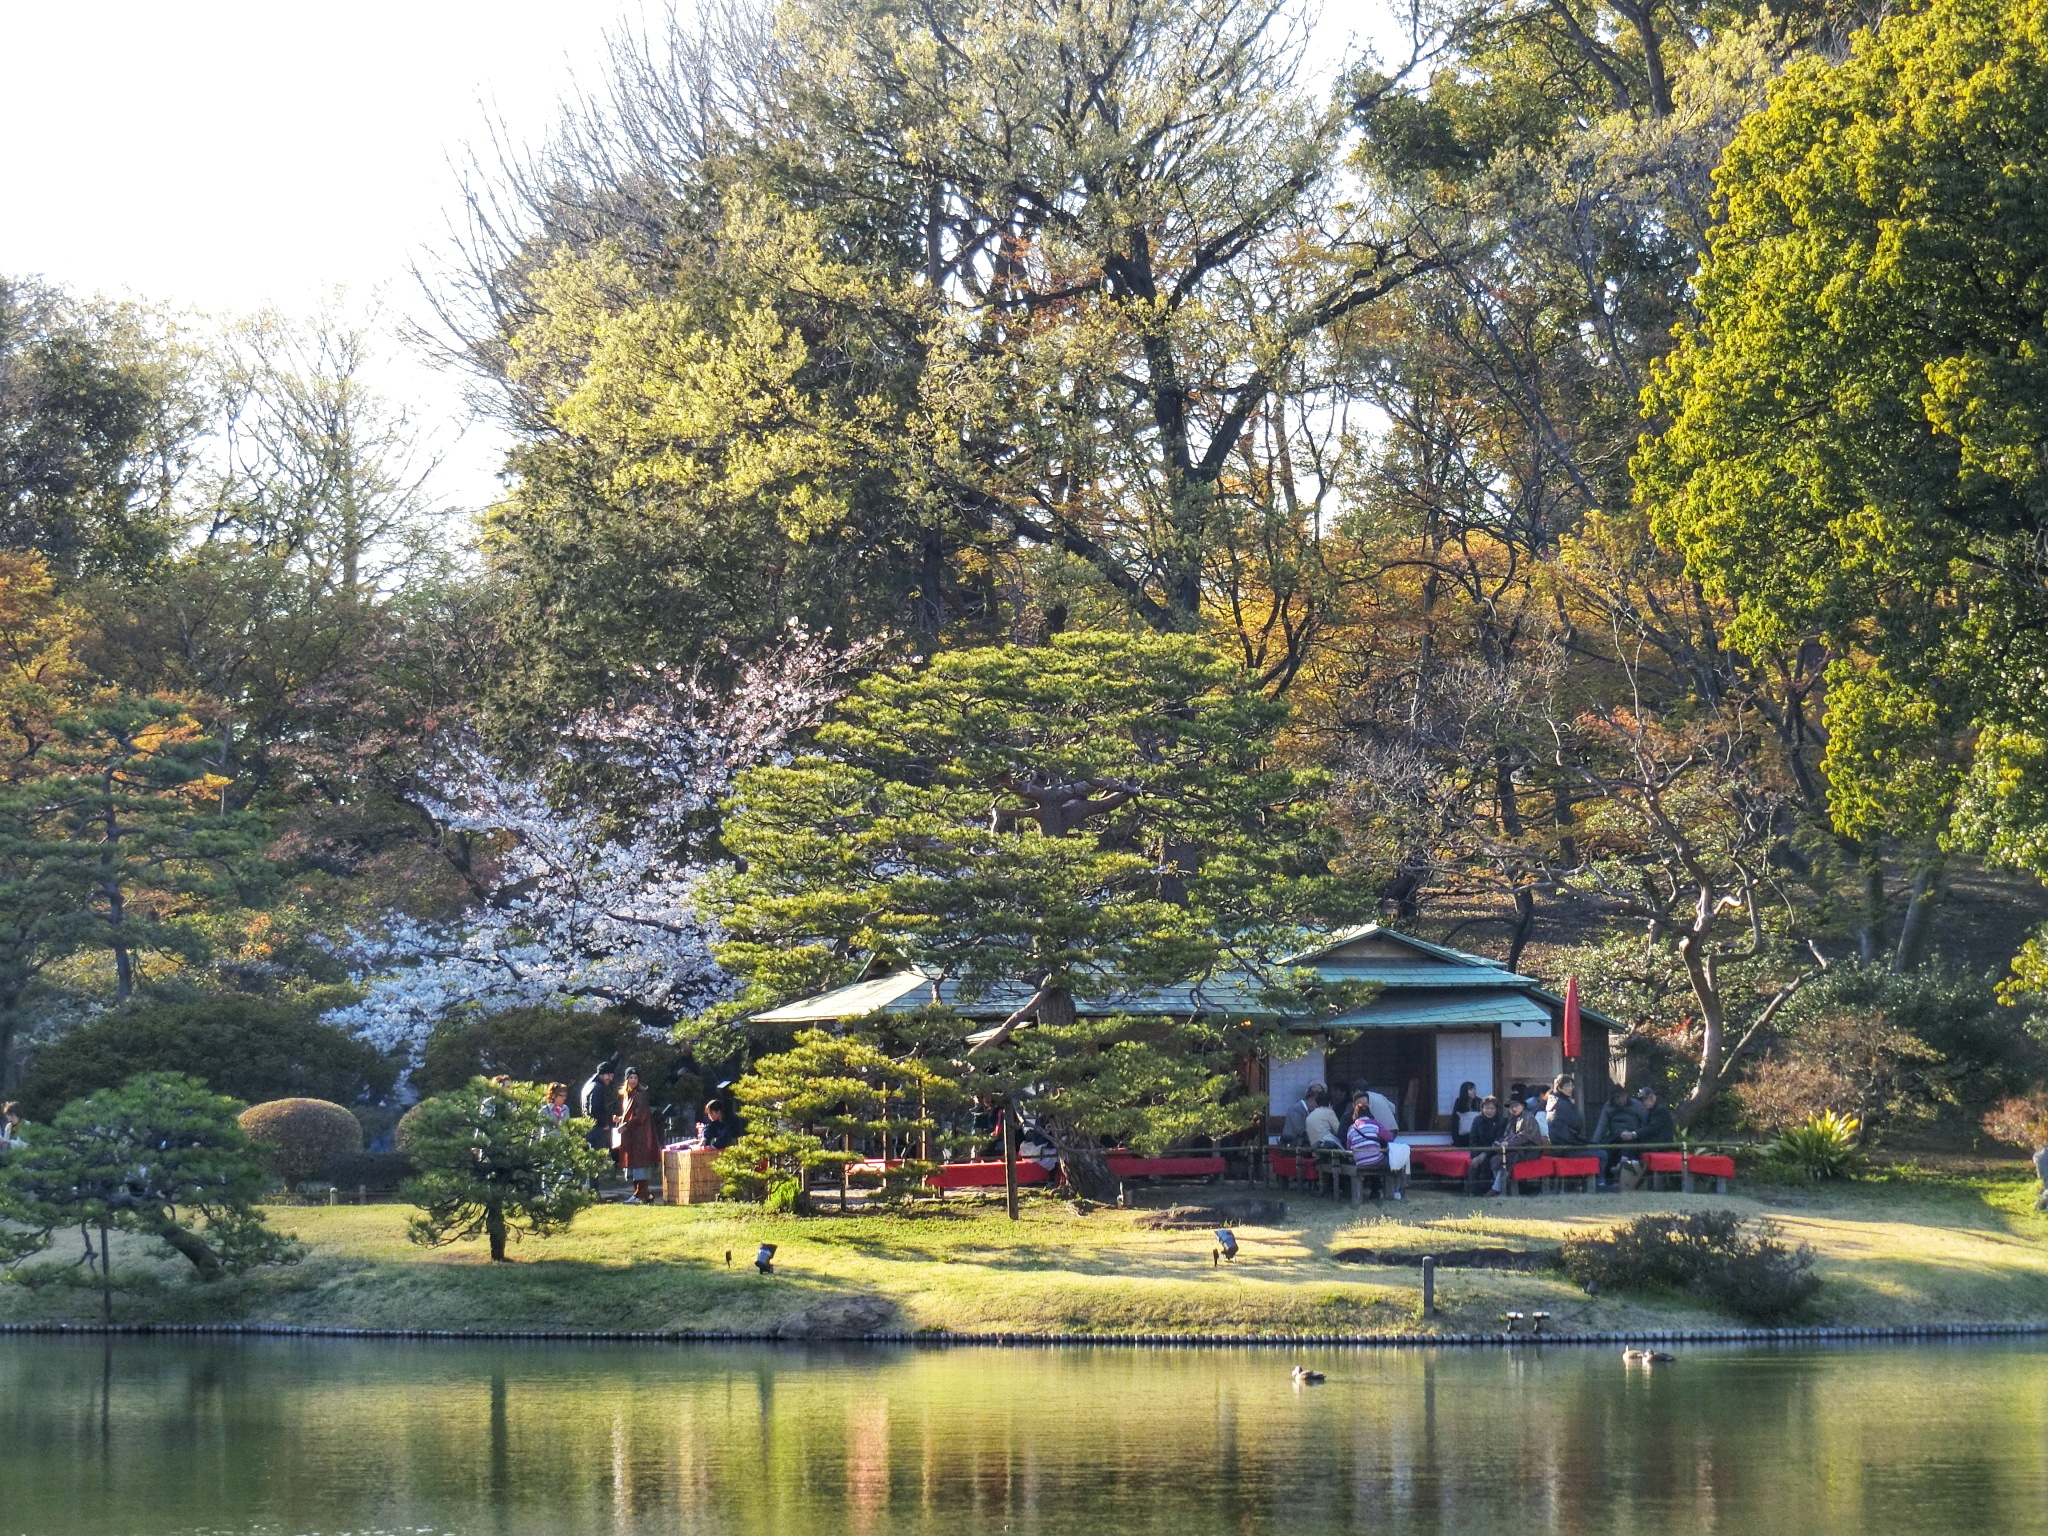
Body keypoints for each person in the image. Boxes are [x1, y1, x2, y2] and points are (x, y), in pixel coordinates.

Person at [615, 1067, 661, 1204]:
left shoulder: (640, 1095)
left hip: (640, 1136)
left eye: (635, 1077)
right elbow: (629, 1114)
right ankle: (642, 1194)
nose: (633, 1080)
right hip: (632, 1136)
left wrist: (626, 1125)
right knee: (634, 1165)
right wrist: (620, 1119)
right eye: (630, 1077)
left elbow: (640, 1116)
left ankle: (641, 1194)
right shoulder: (627, 1095)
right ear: (626, 1080)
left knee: (640, 1164)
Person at [1488, 1095, 1547, 1195]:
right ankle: (1498, 1186)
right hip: (1513, 1148)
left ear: (1522, 1106)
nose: (1513, 1109)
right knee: (1496, 1159)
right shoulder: (1512, 1119)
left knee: (1510, 1157)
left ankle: (1498, 1190)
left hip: (1529, 1149)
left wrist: (1508, 1144)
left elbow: (1524, 1137)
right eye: (1511, 1107)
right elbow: (1507, 1135)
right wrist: (1500, 1143)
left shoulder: (1528, 1117)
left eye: (1516, 1106)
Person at [1345, 1102, 1404, 1200]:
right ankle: (1395, 1192)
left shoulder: (1351, 1128)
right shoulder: (1375, 1124)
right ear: (1369, 1113)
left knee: (1375, 1160)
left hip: (1359, 1161)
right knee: (1396, 1164)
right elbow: (1390, 1138)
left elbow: (1348, 1147)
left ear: (1355, 1115)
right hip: (1376, 1159)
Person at [1591, 1086, 1644, 1188]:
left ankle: (1623, 1172)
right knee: (1605, 1150)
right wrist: (1594, 1145)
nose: (1620, 1100)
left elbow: (1645, 1122)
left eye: (1622, 1097)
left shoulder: (1636, 1105)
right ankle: (1605, 1181)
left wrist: (1635, 1133)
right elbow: (1601, 1127)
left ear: (1626, 1095)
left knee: (1629, 1148)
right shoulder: (1608, 1107)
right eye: (1617, 1098)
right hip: (1615, 1135)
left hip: (1633, 1136)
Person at [579, 1059, 621, 1154]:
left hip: (590, 1128)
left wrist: (610, 1117)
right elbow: (595, 1109)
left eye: (612, 1076)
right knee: (600, 1160)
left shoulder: (589, 1085)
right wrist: (604, 1124)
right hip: (598, 1131)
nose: (610, 1078)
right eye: (608, 1075)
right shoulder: (598, 1088)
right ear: (601, 1074)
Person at [1468, 1095, 1505, 1193]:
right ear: (1482, 1108)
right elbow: (1473, 1140)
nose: (1489, 1111)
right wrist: (1476, 1155)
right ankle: (1471, 1192)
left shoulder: (1501, 1121)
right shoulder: (1477, 1120)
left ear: (1496, 1109)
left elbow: (1498, 1140)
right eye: (1486, 1108)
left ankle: (1487, 1190)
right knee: (1474, 1164)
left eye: (1492, 1108)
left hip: (1494, 1150)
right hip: (1478, 1150)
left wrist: (1484, 1154)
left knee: (1486, 1162)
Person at [1545, 1075, 1586, 1151]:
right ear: (1559, 1088)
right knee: (1602, 1155)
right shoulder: (1562, 1104)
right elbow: (1577, 1124)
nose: (1570, 1088)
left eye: (1571, 1085)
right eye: (1567, 1086)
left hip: (1558, 1145)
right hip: (1567, 1146)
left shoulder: (1553, 1102)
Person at [1279, 1083, 1322, 1148]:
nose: (1318, 1106)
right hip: (1292, 1144)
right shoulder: (1296, 1109)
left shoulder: (1307, 1110)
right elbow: (1300, 1130)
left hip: (1301, 1143)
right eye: (1318, 1103)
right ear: (1312, 1099)